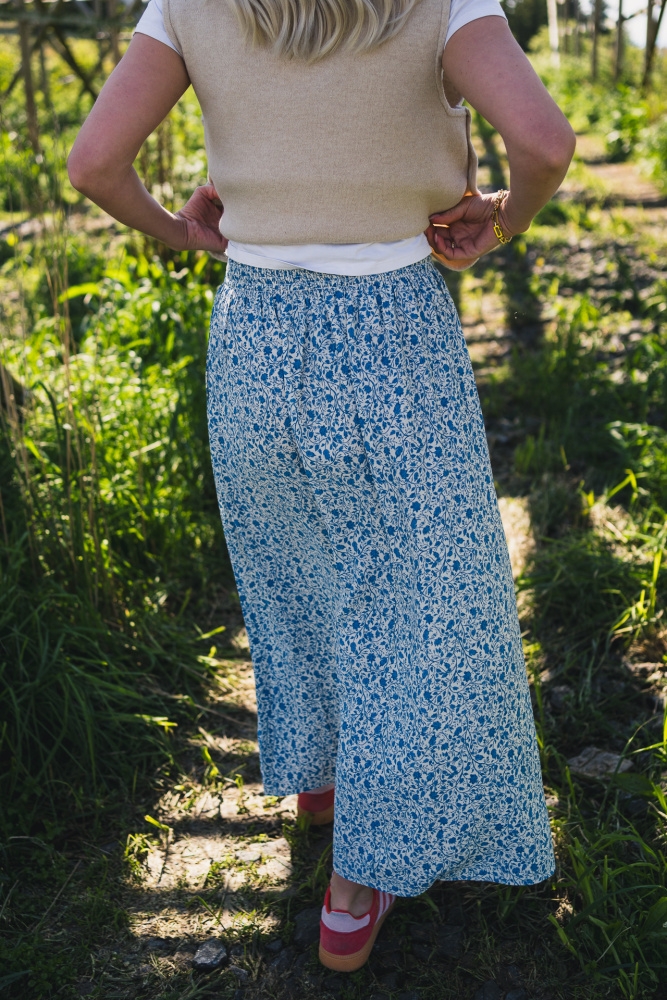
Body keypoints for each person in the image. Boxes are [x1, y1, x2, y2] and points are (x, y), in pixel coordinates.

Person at [68, 0, 575, 974]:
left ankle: (326, 781)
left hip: (253, 338)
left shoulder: (188, 5)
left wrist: (179, 230)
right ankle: (357, 879)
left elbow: (94, 163)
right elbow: (543, 143)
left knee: (293, 574)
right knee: (409, 604)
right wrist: (505, 219)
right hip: (393, 333)